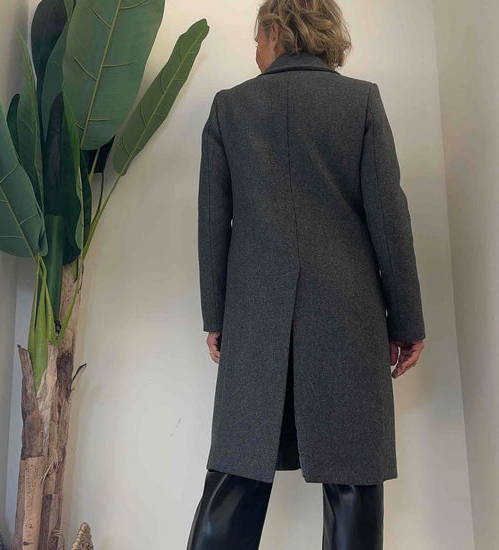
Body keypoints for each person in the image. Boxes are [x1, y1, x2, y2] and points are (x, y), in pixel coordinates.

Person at [189, 0, 426, 548]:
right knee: (353, 481)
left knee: (236, 473)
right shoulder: (360, 101)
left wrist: (216, 315)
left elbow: (213, 224)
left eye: (257, 38)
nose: (255, 50)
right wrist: (406, 320)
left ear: (276, 32)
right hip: (347, 316)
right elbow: (389, 217)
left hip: (255, 319)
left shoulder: (230, 108)